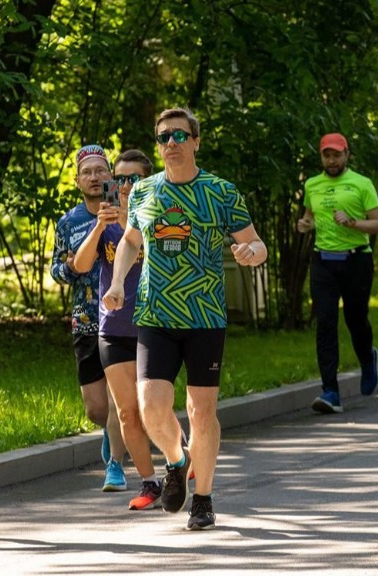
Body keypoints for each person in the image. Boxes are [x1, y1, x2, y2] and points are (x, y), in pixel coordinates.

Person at [103, 107, 268, 530]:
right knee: (151, 407)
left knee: (200, 411)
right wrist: (118, 282)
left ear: (196, 141)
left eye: (179, 135)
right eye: (164, 137)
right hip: (155, 313)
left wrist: (250, 253)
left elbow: (256, 243)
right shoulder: (143, 192)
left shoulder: (220, 192)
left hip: (204, 316)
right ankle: (177, 460)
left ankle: (204, 498)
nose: (171, 143)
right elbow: (130, 242)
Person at [74, 149, 167, 509]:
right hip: (112, 328)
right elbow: (82, 265)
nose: (126, 185)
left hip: (153, 326)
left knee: (151, 408)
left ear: (148, 181)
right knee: (126, 412)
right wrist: (99, 225)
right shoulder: (107, 222)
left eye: (134, 178)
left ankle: (180, 459)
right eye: (121, 178)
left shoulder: (160, 217)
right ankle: (149, 482)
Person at [296, 133, 378, 414]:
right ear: (321, 157)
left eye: (337, 155)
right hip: (323, 261)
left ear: (346, 155)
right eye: (327, 155)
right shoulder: (312, 184)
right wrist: (305, 224)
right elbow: (310, 216)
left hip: (356, 260)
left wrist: (353, 223)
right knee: (325, 322)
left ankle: (367, 359)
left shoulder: (361, 183)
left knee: (355, 319)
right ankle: (330, 392)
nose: (332, 160)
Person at [51, 144, 125, 491]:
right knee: (96, 409)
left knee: (117, 399)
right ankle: (111, 434)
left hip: (122, 318)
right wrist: (70, 266)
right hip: (86, 320)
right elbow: (56, 269)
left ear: (111, 175)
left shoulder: (127, 213)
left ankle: (115, 465)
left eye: (100, 170)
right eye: (87, 172)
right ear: (78, 181)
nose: (95, 177)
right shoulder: (69, 222)